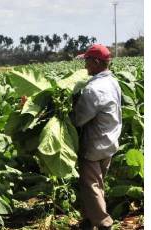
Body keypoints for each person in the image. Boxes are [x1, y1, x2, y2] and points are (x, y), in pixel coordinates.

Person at [72, 44, 122, 230]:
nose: (85, 66)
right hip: (109, 140)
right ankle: (89, 220)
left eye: (87, 61)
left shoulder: (93, 89)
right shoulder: (112, 82)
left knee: (90, 184)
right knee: (98, 183)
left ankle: (103, 223)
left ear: (95, 62)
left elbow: (79, 119)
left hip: (94, 144)